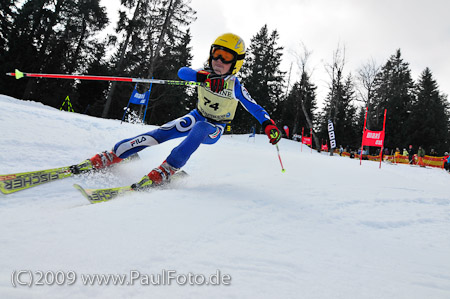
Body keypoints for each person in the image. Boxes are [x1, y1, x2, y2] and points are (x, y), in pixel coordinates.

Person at [70, 33, 282, 189]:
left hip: (215, 127)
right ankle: (114, 154)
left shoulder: (234, 85)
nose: (219, 60)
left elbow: (255, 107)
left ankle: (169, 168)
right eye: (216, 54)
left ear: (236, 63)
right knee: (164, 131)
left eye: (226, 57)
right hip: (197, 114)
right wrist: (203, 78)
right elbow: (183, 72)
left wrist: (269, 124)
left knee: (199, 128)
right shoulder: (204, 73)